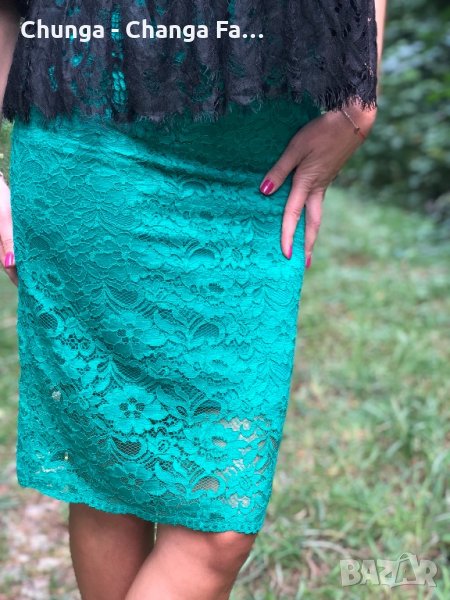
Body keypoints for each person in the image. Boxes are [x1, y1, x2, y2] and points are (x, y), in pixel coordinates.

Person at [0, 1, 387, 598]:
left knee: (218, 528)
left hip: (259, 160)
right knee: (112, 475)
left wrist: (358, 105)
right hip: (93, 139)